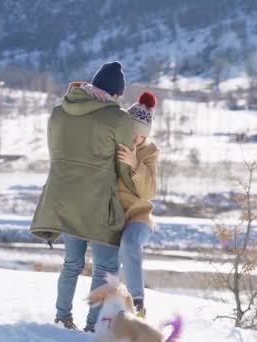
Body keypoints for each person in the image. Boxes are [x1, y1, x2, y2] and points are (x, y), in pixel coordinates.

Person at [30, 61, 138, 332]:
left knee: (72, 263)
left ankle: (62, 317)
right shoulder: (118, 117)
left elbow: (56, 156)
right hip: (98, 202)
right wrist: (137, 175)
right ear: (114, 93)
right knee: (105, 268)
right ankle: (93, 328)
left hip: (63, 199)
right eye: (118, 96)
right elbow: (123, 167)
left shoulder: (58, 112)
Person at [116, 91, 160, 318]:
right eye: (132, 132)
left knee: (131, 243)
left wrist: (135, 165)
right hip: (113, 215)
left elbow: (148, 192)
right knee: (107, 260)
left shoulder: (150, 154)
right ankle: (107, 308)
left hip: (139, 216)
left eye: (140, 136)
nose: (135, 139)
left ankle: (138, 303)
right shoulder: (113, 145)